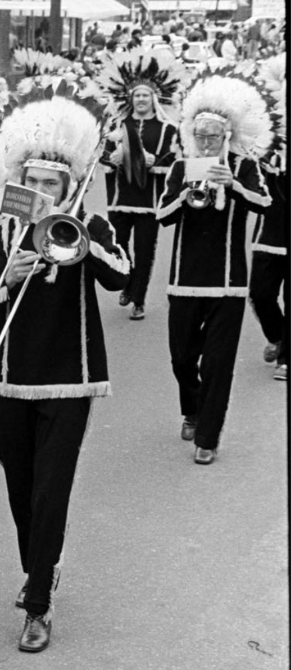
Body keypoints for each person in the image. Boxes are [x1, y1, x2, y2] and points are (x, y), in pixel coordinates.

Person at [0, 94, 129, 653]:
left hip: (71, 376)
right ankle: (40, 567)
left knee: (51, 490)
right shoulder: (1, 231)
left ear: (69, 188)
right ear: (19, 180)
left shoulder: (87, 224)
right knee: (20, 488)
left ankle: (37, 602)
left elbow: (122, 278)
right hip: (10, 377)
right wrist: (8, 278)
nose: (42, 193)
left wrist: (82, 241)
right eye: (33, 181)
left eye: (53, 185)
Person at [156, 72, 272, 464]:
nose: (206, 142)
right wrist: (187, 196)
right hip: (184, 281)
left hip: (229, 285)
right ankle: (191, 409)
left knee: (219, 364)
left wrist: (235, 185)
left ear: (227, 136)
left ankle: (207, 436)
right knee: (181, 358)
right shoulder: (180, 167)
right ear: (191, 135)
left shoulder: (244, 165)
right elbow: (162, 216)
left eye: (214, 136)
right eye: (201, 136)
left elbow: (266, 204)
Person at [95, 49, 186, 321]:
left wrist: (155, 161)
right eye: (137, 95)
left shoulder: (168, 129)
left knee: (145, 250)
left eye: (146, 95)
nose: (142, 99)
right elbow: (100, 153)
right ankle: (129, 282)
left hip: (150, 200)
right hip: (120, 198)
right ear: (131, 98)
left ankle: (139, 298)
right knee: (119, 244)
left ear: (154, 98)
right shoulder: (118, 124)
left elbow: (175, 161)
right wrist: (111, 159)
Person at [249, 60, 287, 381]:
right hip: (271, 231)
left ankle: (286, 356)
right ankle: (279, 336)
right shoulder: (269, 131)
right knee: (260, 294)